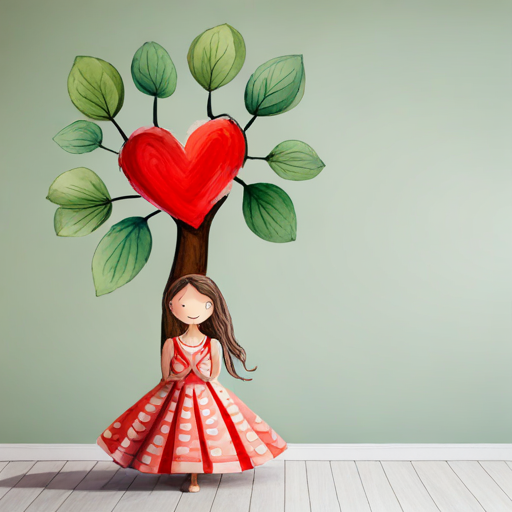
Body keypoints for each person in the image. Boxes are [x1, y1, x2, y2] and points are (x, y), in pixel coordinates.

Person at [97, 274, 287, 492]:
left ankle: (196, 473)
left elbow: (214, 375)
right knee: (171, 433)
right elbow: (166, 376)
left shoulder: (212, 344)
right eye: (184, 303)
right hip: (176, 396)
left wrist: (198, 374)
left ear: (212, 306)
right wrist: (183, 375)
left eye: (204, 303)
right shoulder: (171, 343)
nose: (193, 310)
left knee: (213, 433)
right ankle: (187, 471)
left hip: (207, 396)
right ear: (172, 306)